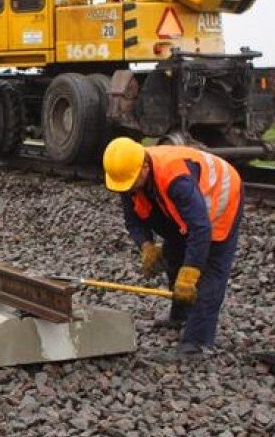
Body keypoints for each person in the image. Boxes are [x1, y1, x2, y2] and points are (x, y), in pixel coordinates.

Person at [102, 137, 243, 360]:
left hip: (220, 195)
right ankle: (181, 315)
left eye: (131, 183)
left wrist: (190, 272)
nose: (127, 190)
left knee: (211, 269)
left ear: (145, 167)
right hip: (189, 206)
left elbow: (200, 228)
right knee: (174, 252)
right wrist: (146, 245)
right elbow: (133, 219)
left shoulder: (175, 178)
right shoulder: (128, 173)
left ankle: (197, 343)